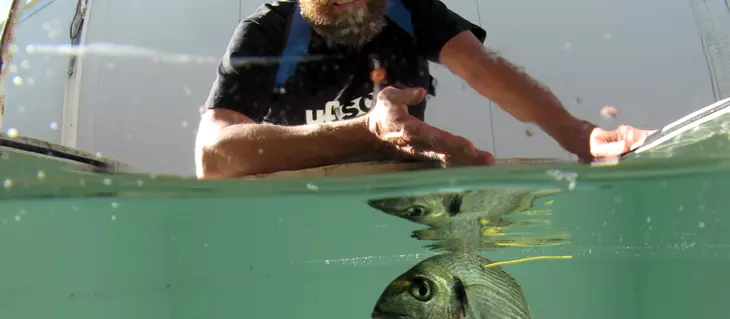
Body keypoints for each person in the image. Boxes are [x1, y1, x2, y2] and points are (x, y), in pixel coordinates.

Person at [195, 0, 654, 178]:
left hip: (404, 202)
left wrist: (579, 134)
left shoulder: (408, 9)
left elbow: (481, 67)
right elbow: (212, 156)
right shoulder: (267, 31)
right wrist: (366, 131)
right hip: (295, 209)